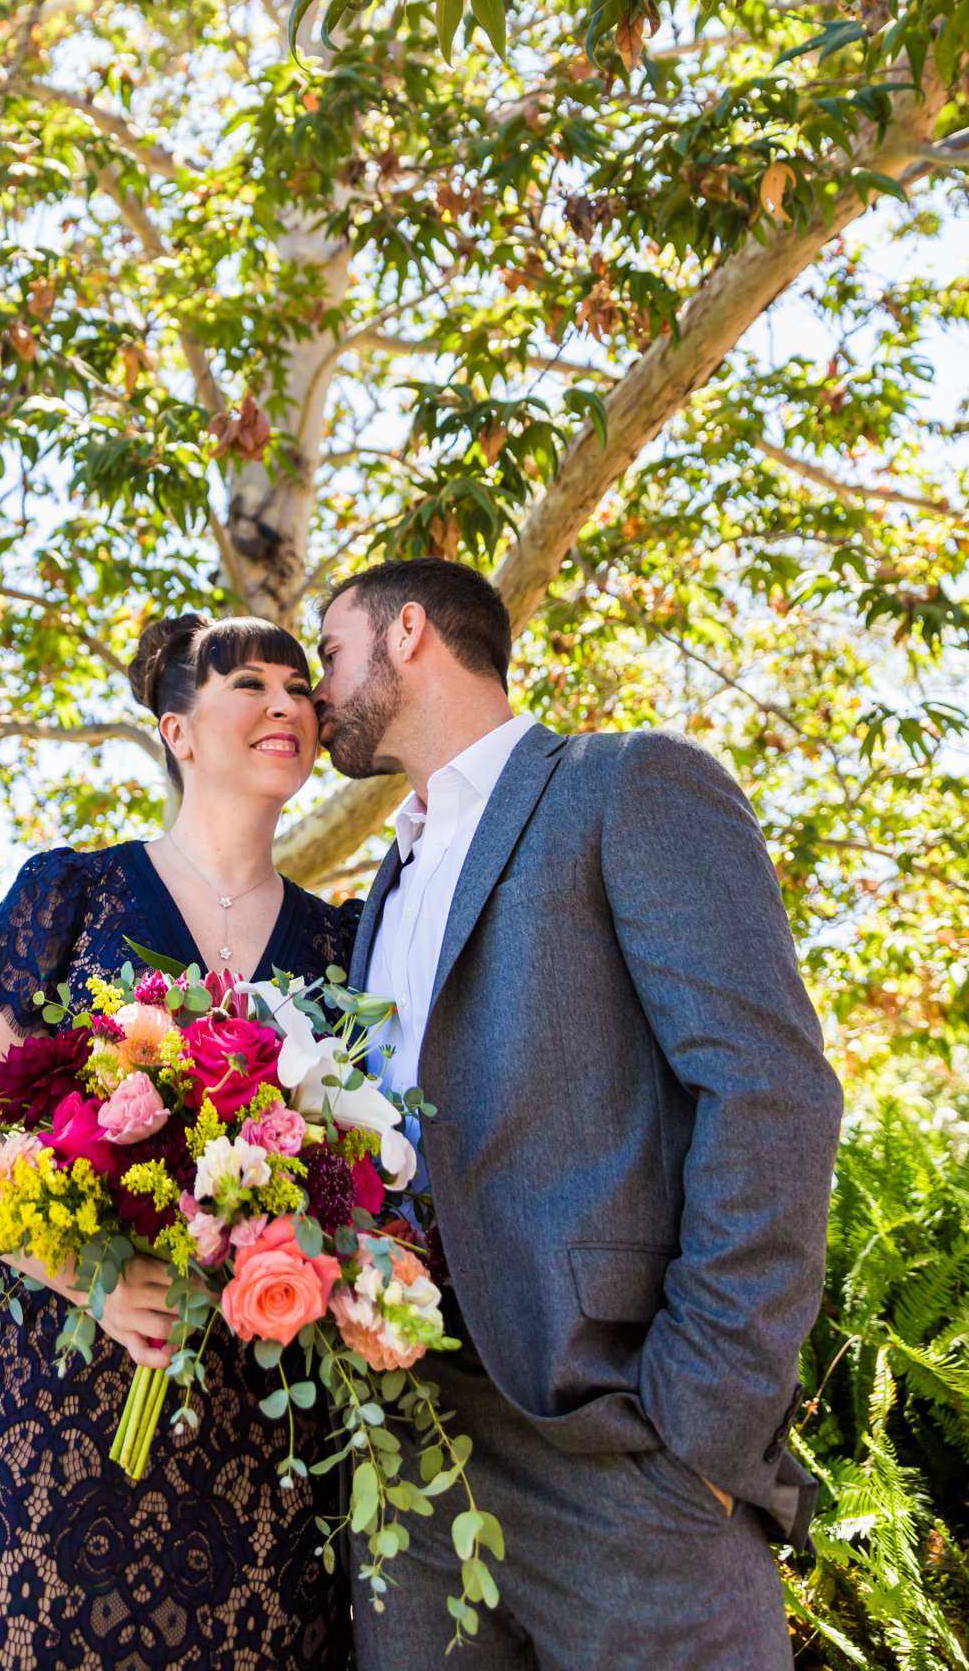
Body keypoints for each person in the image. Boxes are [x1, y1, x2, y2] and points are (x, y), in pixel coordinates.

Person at [313, 555, 844, 1671]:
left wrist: (700, 1421)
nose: (315, 693)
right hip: (411, 1454)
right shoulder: (382, 890)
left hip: (616, 1439)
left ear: (407, 632)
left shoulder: (626, 785)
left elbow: (768, 1088)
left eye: (328, 652)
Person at [0, 610, 360, 1671]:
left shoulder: (343, 942)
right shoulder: (69, 891)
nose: (287, 705)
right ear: (177, 731)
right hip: (35, 1393)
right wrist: (82, 1273)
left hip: (251, 1426)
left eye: (299, 687)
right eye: (250, 685)